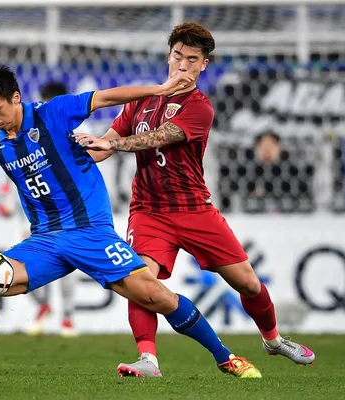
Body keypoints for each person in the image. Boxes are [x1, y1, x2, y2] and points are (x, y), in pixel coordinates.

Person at [0, 64, 261, 378]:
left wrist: (158, 90)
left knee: (155, 296)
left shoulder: (53, 113)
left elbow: (106, 98)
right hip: (45, 241)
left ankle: (227, 358)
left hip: (89, 233)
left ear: (15, 98)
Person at [74, 22, 315, 378]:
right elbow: (106, 143)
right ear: (168, 56)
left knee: (247, 283)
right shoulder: (142, 98)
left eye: (192, 59)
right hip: (148, 210)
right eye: (177, 56)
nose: (182, 65)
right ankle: (148, 359)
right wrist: (81, 151)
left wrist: (113, 144)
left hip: (194, 210)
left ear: (204, 65)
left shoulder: (200, 107)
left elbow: (159, 137)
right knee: (139, 279)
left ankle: (273, 339)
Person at [0, 81, 80, 337]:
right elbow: (17, 166)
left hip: (70, 214)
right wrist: (7, 199)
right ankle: (44, 306)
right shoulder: (26, 128)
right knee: (28, 262)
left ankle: (67, 317)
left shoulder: (75, 130)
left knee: (67, 266)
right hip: (36, 215)